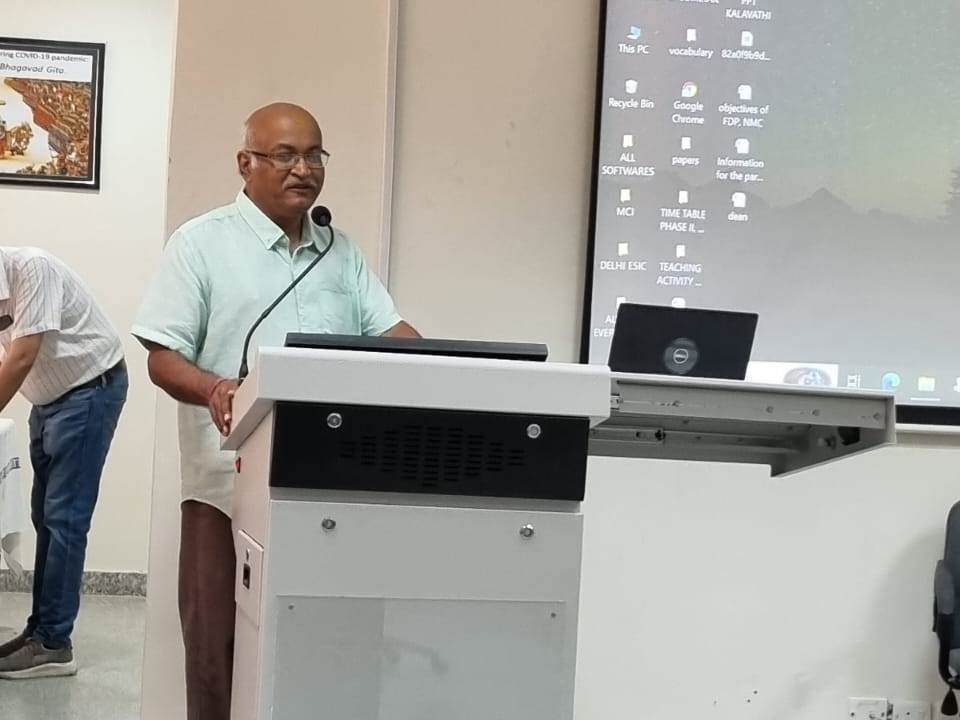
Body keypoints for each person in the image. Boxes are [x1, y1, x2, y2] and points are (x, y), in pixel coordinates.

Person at [132, 102, 419, 720]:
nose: (303, 169)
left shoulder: (338, 252)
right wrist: (214, 388)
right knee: (215, 658)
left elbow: (393, 333)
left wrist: (440, 365)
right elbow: (161, 357)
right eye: (285, 155)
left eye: (314, 156)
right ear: (246, 163)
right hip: (224, 491)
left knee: (328, 655)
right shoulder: (201, 244)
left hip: (330, 490)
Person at [0, 247, 127, 679]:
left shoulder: (31, 269)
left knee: (64, 519)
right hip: (49, 400)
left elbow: (21, 356)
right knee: (45, 517)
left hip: (89, 392)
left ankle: (54, 643)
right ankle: (39, 630)